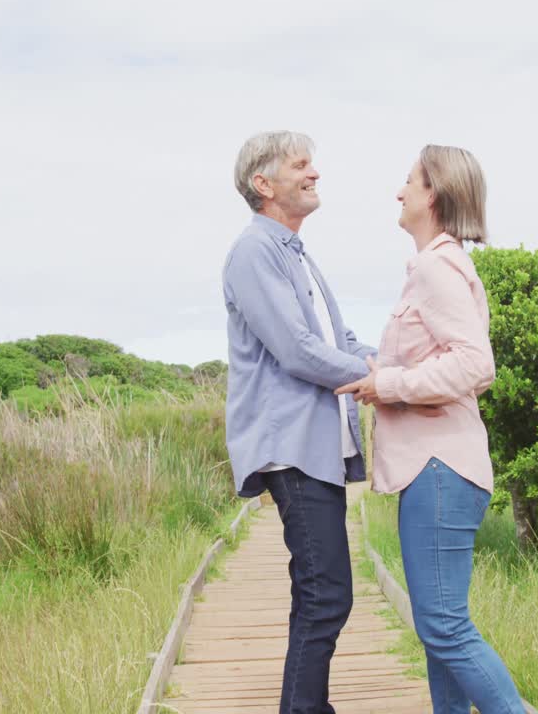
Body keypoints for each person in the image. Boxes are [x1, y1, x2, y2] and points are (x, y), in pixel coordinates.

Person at [337, 144, 526, 713]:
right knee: (437, 630)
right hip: (441, 469)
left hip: (440, 469)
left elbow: (475, 364)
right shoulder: (440, 265)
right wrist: (386, 374)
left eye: (409, 182)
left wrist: (388, 385)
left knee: (444, 626)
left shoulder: (434, 264)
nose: (399, 192)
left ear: (434, 195)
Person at [221, 130, 377, 714]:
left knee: (320, 592)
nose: (315, 174)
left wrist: (400, 367)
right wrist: (376, 381)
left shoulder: (296, 252)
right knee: (326, 592)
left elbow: (341, 341)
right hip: (292, 447)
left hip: (317, 447)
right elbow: (297, 349)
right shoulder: (254, 252)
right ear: (264, 184)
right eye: (301, 165)